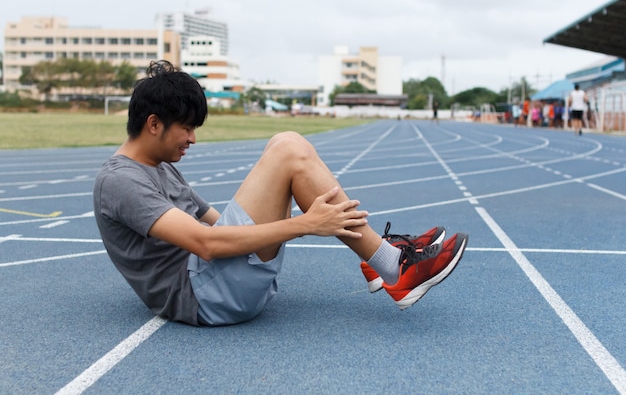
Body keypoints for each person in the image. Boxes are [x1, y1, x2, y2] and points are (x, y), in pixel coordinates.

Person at [93, 61, 469, 326]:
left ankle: (385, 258)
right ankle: (391, 265)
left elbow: (212, 218)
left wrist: (283, 208)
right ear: (154, 124)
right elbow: (206, 244)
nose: (193, 139)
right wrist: (303, 224)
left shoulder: (159, 167)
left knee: (285, 146)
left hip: (216, 281)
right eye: (187, 129)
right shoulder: (121, 181)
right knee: (288, 148)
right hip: (204, 295)